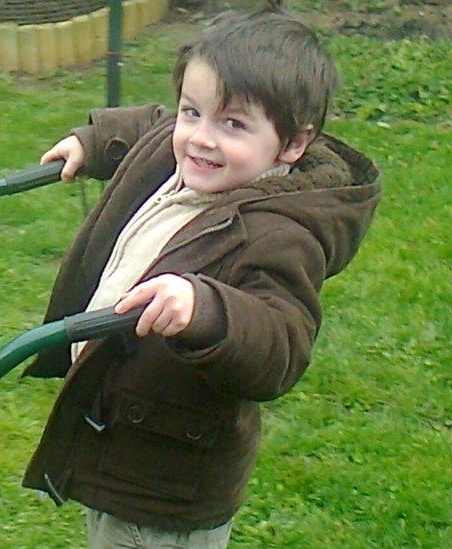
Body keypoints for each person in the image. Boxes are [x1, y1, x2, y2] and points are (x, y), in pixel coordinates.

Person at [20, 1, 382, 547]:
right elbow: (151, 126)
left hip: (168, 486)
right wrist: (94, 142)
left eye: (233, 124)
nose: (200, 137)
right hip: (119, 439)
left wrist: (206, 310)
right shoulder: (193, 157)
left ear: (293, 143)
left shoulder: (281, 232)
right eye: (193, 111)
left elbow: (281, 341)